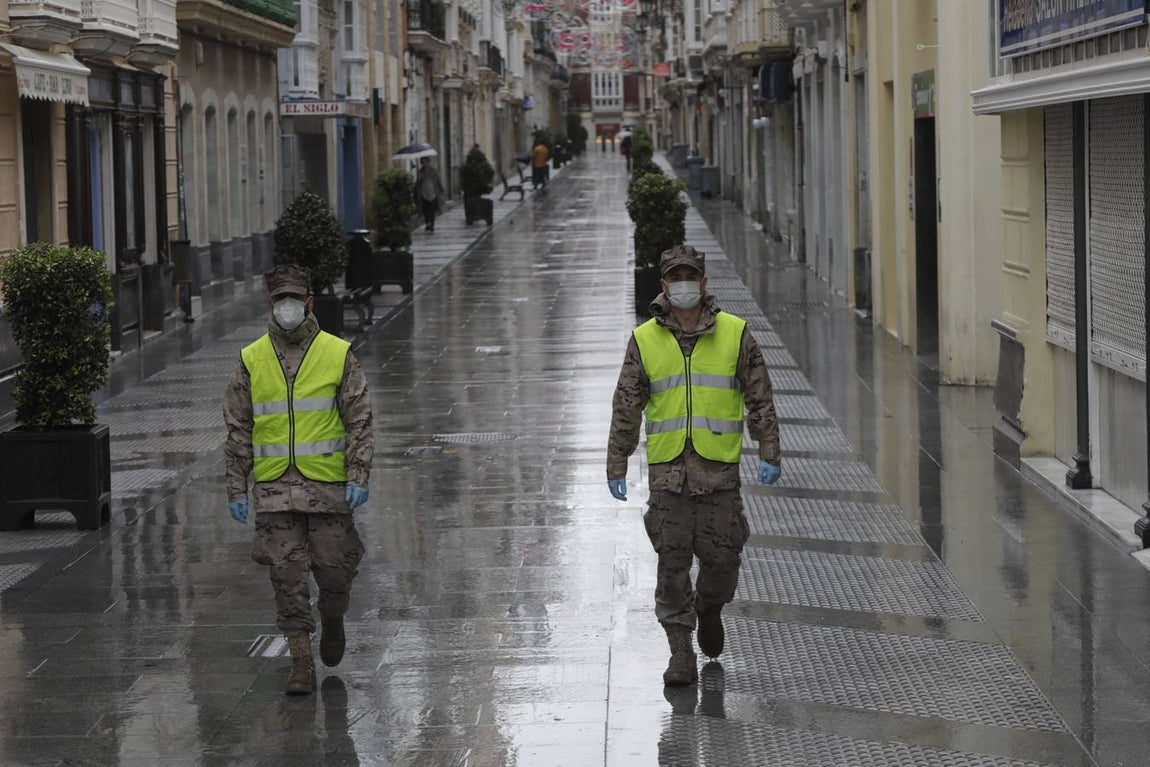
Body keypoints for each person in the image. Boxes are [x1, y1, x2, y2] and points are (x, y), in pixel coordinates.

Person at [607, 245, 781, 687]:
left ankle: (710, 606)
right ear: (664, 284)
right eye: (675, 276)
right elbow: (627, 405)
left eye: (690, 276)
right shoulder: (645, 339)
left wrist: (769, 451)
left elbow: (760, 396)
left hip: (719, 473)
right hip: (668, 475)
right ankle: (680, 652)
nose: (683, 284)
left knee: (723, 559)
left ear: (703, 283)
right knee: (671, 563)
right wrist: (617, 462)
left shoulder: (736, 334)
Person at [222, 264, 374, 696]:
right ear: (270, 304)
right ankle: (301, 663)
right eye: (279, 300)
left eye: (295, 299)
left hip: (327, 488)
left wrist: (358, 473)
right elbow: (238, 427)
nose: (287, 307)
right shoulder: (251, 359)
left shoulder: (337, 353)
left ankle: (333, 618)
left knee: (335, 574)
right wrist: (237, 485)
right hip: (275, 492)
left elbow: (360, 419)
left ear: (308, 302)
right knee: (287, 578)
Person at [415, 156, 445, 232]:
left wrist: (441, 189)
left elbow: (437, 180)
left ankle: (431, 224)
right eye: (423, 162)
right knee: (425, 210)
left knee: (432, 210)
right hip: (423, 193)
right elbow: (417, 183)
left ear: (428, 162)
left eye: (426, 162)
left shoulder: (433, 170)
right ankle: (427, 223)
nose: (424, 163)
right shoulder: (420, 172)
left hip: (433, 193)